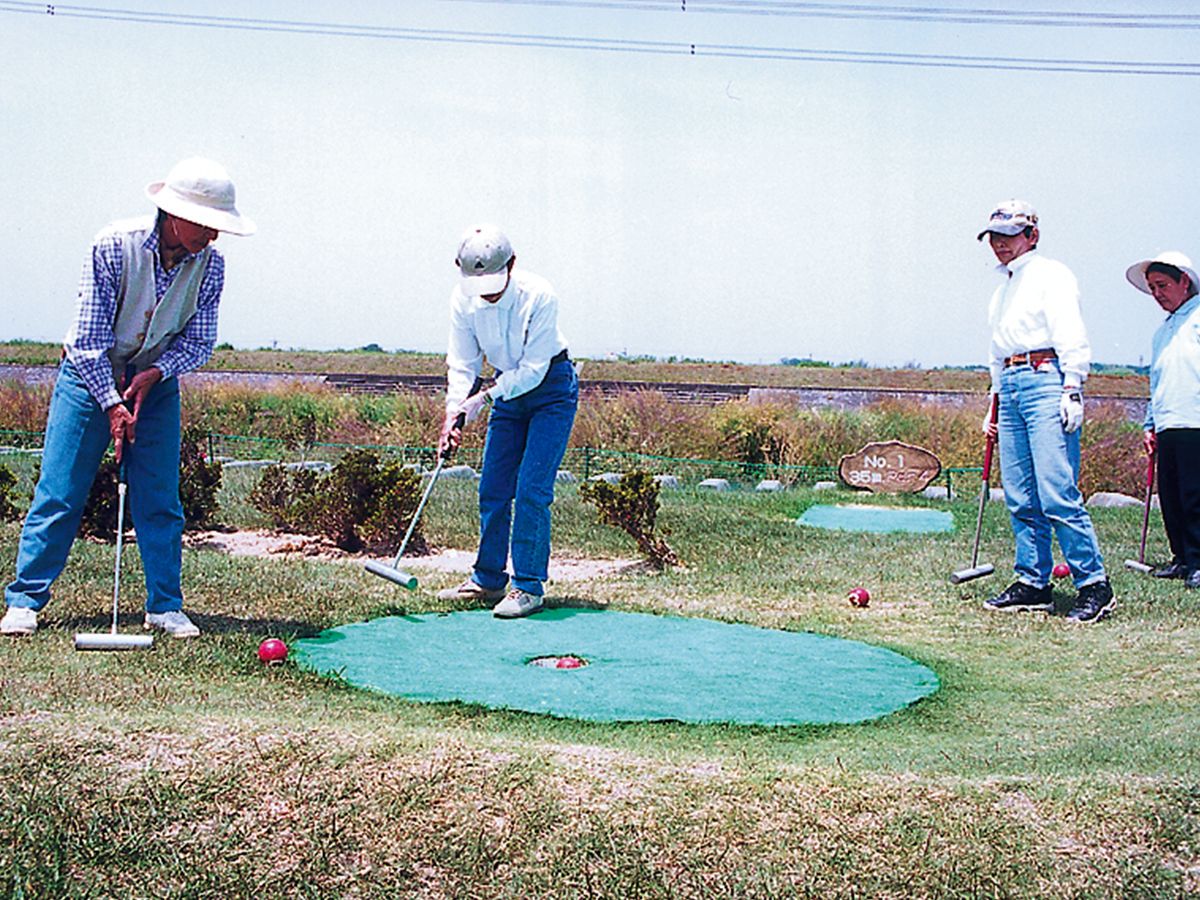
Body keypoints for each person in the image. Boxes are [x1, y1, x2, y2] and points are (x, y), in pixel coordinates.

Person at [1, 158, 255, 638]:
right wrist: (112, 402)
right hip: (87, 376)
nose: (215, 237)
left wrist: (156, 373)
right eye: (210, 225)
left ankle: (164, 605)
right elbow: (87, 339)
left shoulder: (211, 267)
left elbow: (199, 342)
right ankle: (25, 601)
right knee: (60, 491)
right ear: (176, 214)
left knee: (160, 497)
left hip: (155, 382)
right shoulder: (114, 245)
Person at [976, 199, 1114, 623]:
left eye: (1010, 235)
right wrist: (995, 401)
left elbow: (1070, 331)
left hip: (1045, 379)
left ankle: (1094, 584)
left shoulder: (1051, 273)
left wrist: (1072, 386)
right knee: (1020, 494)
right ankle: (1033, 583)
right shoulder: (1002, 291)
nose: (1000, 244)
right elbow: (998, 351)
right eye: (995, 237)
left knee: (1057, 491)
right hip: (1013, 385)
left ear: (1031, 235)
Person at [435, 224, 578, 618]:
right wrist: (454, 413)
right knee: (493, 486)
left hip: (550, 390)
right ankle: (487, 578)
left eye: (494, 280)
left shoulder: (539, 295)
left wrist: (483, 399)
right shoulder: (462, 301)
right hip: (504, 393)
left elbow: (533, 370)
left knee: (532, 488)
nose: (487, 291)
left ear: (511, 264)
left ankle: (528, 587)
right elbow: (463, 363)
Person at [1126, 252, 1200, 588]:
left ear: (1185, 282)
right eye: (1152, 287)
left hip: (1195, 421)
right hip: (1168, 422)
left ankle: (1199, 560)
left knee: (1194, 495)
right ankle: (1182, 558)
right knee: (1170, 495)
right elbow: (1157, 382)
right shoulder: (1162, 332)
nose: (1157, 293)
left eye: (1163, 285)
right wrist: (1149, 423)